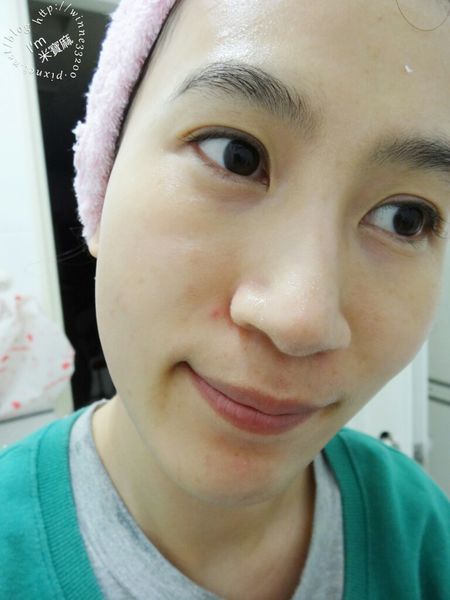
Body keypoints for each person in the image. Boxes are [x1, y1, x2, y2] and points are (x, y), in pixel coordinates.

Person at [1, 0, 450, 598]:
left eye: (406, 218)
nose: (301, 319)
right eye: (236, 155)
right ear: (101, 181)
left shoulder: (422, 534)